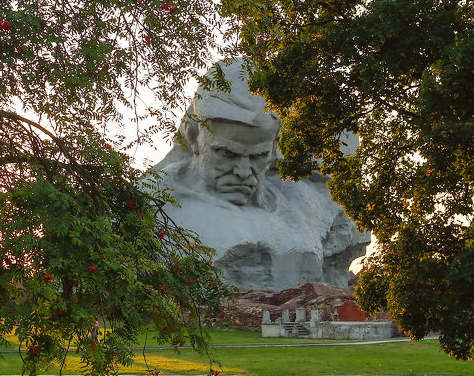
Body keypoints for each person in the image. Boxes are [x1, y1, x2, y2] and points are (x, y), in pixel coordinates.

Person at [149, 59, 368, 290]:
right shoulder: (154, 205)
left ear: (274, 148)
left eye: (258, 155)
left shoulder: (302, 201)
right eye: (226, 153)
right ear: (193, 137)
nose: (243, 172)